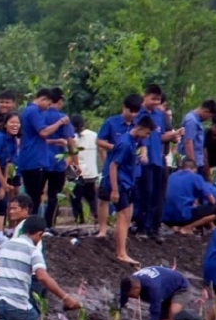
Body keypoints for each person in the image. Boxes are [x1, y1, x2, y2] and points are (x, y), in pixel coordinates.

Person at [97, 113, 156, 266]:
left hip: (128, 182)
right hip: (120, 184)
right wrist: (115, 190)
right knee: (122, 217)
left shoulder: (134, 141)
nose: (147, 137)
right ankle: (121, 253)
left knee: (128, 214)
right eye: (147, 133)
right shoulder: (125, 143)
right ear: (140, 128)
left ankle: (123, 249)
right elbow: (113, 166)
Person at [135, 84, 179, 239]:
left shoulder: (160, 115)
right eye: (152, 99)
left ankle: (154, 228)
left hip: (158, 159)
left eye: (158, 100)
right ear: (145, 96)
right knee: (144, 194)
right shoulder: (138, 114)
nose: (155, 102)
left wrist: (174, 135)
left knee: (157, 195)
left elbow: (161, 137)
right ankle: (141, 227)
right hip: (143, 161)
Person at [17, 88, 69, 217]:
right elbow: (44, 132)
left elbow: (36, 138)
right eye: (48, 103)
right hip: (33, 160)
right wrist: (60, 122)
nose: (48, 107)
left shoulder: (29, 111)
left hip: (33, 157)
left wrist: (55, 141)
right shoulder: (34, 111)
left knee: (35, 195)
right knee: (34, 197)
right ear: (42, 99)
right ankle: (31, 226)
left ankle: (32, 225)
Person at [42, 93, 76, 230]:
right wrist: (74, 161)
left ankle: (34, 224)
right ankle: (49, 225)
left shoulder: (40, 116)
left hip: (40, 161)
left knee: (37, 194)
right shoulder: (63, 118)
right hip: (58, 163)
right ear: (60, 101)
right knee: (53, 195)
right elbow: (71, 141)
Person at [163, 160, 216, 234]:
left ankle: (176, 227)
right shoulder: (195, 177)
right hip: (183, 216)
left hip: (166, 218)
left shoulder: (172, 176)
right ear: (194, 169)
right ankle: (188, 227)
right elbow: (212, 200)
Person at [0, 113, 22, 238]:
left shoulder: (13, 140)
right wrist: (2, 182)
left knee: (2, 201)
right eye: (12, 122)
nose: (15, 125)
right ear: (5, 124)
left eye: (17, 123)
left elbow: (8, 164)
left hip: (0, 174)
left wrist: (4, 185)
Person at [118, 266, 189, 320]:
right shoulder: (128, 284)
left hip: (179, 287)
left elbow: (155, 312)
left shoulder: (153, 287)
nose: (131, 297)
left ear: (137, 288)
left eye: (132, 295)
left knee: (173, 313)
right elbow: (118, 303)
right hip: (165, 289)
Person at [70, 114, 100, 226]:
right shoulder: (94, 135)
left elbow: (71, 155)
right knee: (91, 197)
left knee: (75, 198)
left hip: (77, 172)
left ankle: (79, 219)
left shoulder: (72, 138)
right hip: (92, 172)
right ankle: (97, 216)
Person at [180, 99, 216, 170]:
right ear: (206, 111)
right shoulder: (191, 120)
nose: (209, 119)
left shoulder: (198, 121)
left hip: (198, 161)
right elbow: (188, 141)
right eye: (210, 116)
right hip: (192, 163)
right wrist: (192, 163)